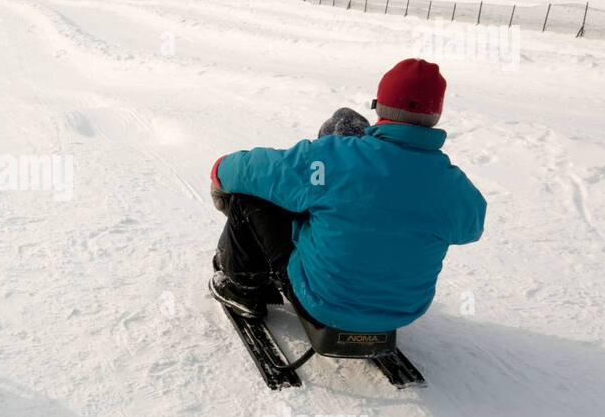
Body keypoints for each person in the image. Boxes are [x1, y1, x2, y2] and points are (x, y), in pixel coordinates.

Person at [208, 58, 486, 327]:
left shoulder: (333, 158)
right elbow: (471, 227)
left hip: (320, 302)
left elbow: (253, 171)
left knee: (250, 195)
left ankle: (242, 288)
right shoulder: (452, 183)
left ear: (382, 106)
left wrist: (219, 171)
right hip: (403, 311)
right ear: (434, 116)